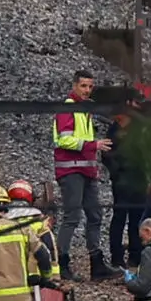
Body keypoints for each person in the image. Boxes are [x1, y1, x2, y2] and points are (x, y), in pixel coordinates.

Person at [53, 70, 120, 281]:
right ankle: (61, 263)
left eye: (90, 87)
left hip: (86, 170)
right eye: (83, 86)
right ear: (74, 85)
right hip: (71, 170)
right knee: (72, 217)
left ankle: (97, 264)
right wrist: (94, 145)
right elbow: (64, 140)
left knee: (95, 216)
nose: (87, 90)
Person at [103, 93, 146, 268]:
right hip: (122, 180)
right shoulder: (115, 128)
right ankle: (117, 257)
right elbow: (106, 154)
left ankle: (136, 256)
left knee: (137, 217)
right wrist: (117, 172)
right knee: (120, 217)